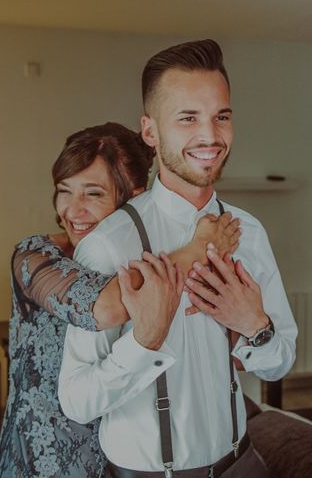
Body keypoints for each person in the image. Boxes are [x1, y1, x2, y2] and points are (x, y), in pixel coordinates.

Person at [58, 40, 298, 477]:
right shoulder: (109, 246)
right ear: (150, 132)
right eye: (188, 118)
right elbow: (76, 401)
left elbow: (282, 360)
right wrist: (142, 342)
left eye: (221, 116)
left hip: (242, 465)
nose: (210, 136)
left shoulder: (250, 233)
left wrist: (254, 327)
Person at [0, 122, 241, 477]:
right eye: (66, 191)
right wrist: (198, 250)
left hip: (121, 458)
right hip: (42, 457)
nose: (73, 210)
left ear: (135, 198)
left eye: (93, 194)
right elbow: (104, 306)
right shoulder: (34, 256)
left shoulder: (151, 253)